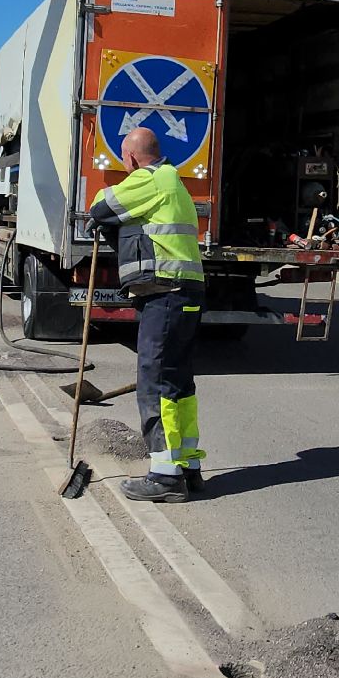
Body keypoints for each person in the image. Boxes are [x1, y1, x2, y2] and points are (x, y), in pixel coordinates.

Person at [88, 127, 205, 502]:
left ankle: (165, 476)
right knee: (178, 385)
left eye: (125, 158)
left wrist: (104, 214)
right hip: (186, 294)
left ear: (132, 157)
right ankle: (187, 465)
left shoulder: (149, 179)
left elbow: (100, 207)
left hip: (165, 295)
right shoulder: (174, 180)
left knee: (154, 383)